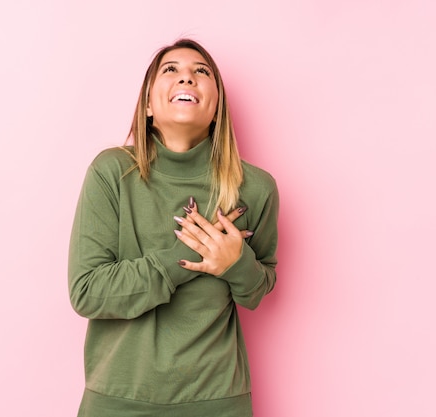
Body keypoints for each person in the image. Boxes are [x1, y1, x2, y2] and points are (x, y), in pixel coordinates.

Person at [68, 38, 279, 417]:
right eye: (171, 70)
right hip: (119, 400)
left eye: (202, 72)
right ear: (148, 104)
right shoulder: (112, 172)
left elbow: (257, 289)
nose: (187, 77)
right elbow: (87, 292)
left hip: (217, 400)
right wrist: (186, 255)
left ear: (217, 108)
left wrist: (236, 262)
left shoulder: (256, 188)